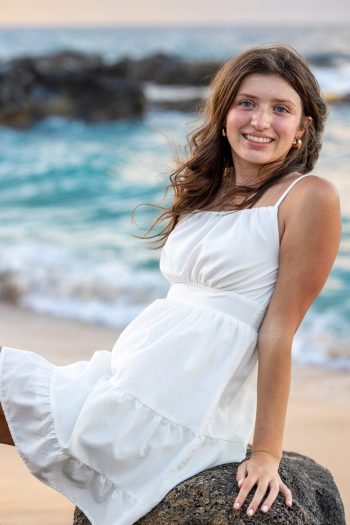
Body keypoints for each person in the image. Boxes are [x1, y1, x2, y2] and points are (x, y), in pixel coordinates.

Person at [0, 43, 342, 524]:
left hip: (185, 399)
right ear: (224, 112)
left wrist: (266, 453)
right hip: (130, 371)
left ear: (303, 128)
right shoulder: (209, 189)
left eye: (280, 109)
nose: (260, 121)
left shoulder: (309, 196)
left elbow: (279, 330)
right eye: (247, 103)